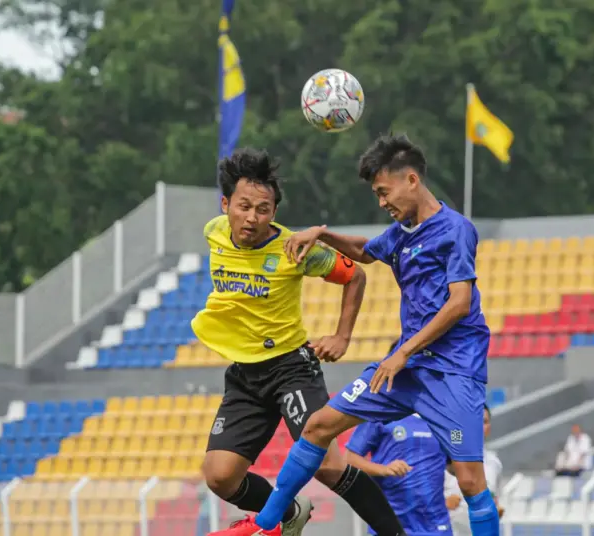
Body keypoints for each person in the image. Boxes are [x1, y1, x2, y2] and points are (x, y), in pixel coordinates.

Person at [211, 133, 500, 536]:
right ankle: (267, 526)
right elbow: (365, 251)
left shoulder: (455, 230)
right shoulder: (404, 232)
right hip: (406, 366)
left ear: (411, 180)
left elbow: (459, 303)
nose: (382, 202)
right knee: (318, 426)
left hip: (452, 372)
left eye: (384, 192)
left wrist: (401, 353)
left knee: (470, 482)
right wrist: (321, 232)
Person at [195, 147, 408, 536]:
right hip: (245, 375)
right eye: (244, 206)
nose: (252, 217)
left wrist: (342, 336)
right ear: (226, 204)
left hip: (291, 369)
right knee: (219, 477)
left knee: (328, 465)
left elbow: (355, 276)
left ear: (274, 212)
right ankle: (290, 513)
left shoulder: (294, 249)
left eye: (264, 209)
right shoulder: (214, 233)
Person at [344, 342, 452, 536]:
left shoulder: (444, 417)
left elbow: (458, 461)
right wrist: (383, 469)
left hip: (436, 526)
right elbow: (350, 458)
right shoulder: (380, 412)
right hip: (390, 523)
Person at [445, 406, 504, 536]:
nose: (479, 426)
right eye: (474, 421)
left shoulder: (495, 464)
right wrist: (444, 504)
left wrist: (495, 510)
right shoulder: (445, 459)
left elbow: (495, 499)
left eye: (484, 421)